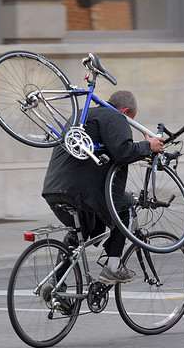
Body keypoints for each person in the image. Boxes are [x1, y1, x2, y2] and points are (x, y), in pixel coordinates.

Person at [42, 90, 164, 284]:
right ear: (125, 111)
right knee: (128, 206)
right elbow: (123, 152)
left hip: (54, 190)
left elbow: (92, 158)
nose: (129, 123)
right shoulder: (115, 116)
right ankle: (113, 268)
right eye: (131, 119)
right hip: (81, 192)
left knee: (77, 236)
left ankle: (54, 286)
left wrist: (114, 188)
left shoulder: (81, 115)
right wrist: (148, 147)